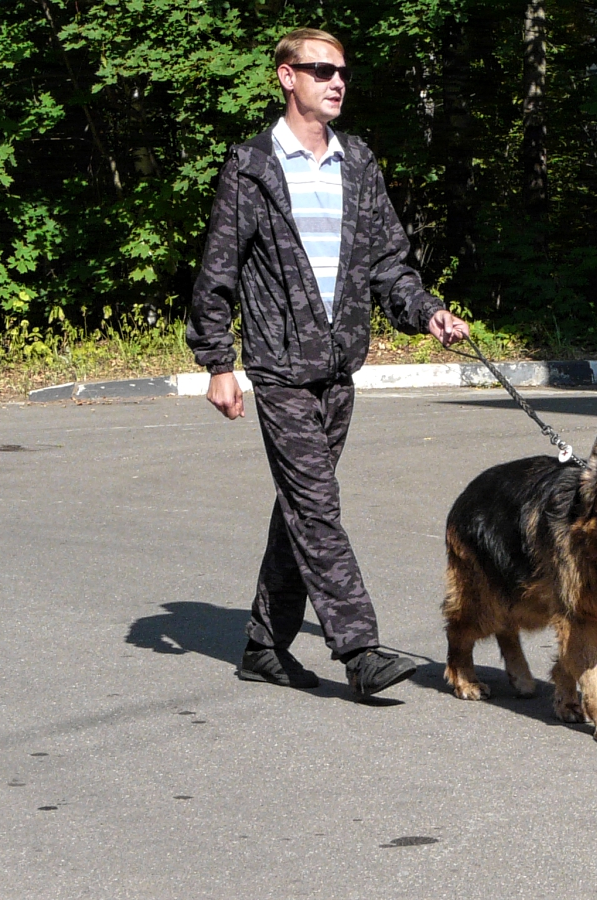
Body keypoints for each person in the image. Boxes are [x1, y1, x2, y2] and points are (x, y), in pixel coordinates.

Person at [186, 27, 469, 699]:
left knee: (300, 507)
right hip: (280, 367)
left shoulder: (358, 163)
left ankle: (263, 644)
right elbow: (217, 272)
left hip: (339, 366)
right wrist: (218, 361)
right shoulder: (251, 166)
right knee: (317, 503)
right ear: (286, 77)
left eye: (341, 71)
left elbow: (389, 266)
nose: (336, 81)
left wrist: (426, 311)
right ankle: (359, 648)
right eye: (320, 70)